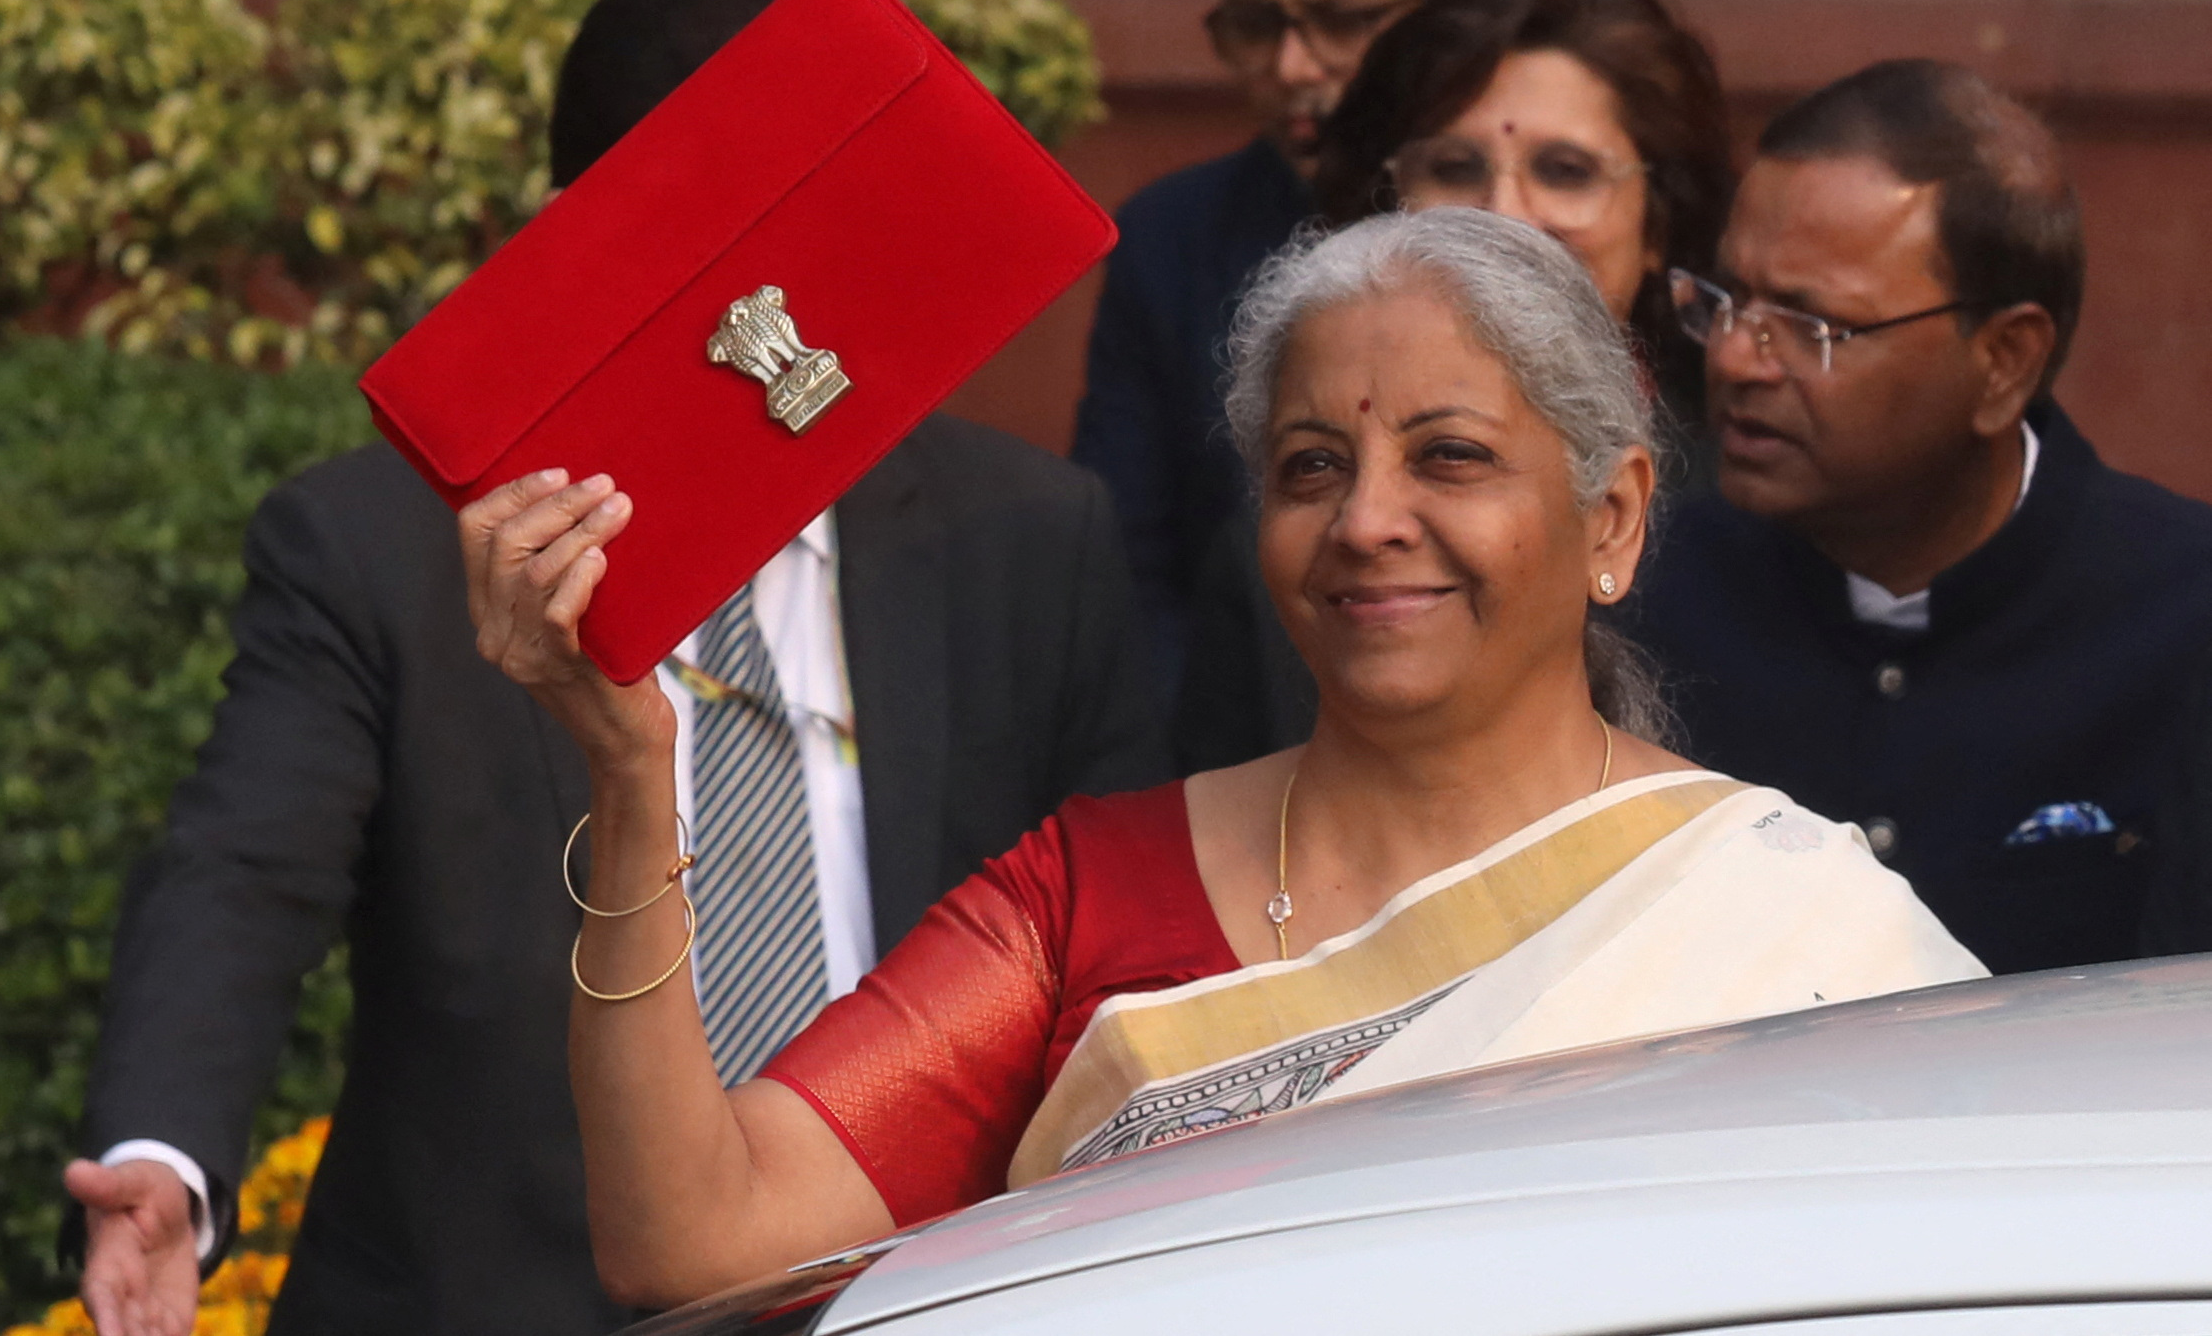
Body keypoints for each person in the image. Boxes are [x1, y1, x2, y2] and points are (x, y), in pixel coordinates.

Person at [467, 208, 1981, 1306]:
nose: (1367, 516)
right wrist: (628, 775)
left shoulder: (1786, 924)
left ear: (1612, 519)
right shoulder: (1083, 892)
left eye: (1447, 455)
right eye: (1310, 465)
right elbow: (695, 1233)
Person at [62, 0, 1165, 1336]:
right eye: (691, 247)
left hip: (918, 1290)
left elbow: (1119, 946)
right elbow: (241, 869)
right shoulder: (378, 549)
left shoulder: (1029, 538)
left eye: (787, 227)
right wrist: (161, 1161)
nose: (747, 292)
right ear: (568, 253)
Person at [1626, 58, 2212, 975]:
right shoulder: (1643, 595)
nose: (1738, 358)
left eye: (1813, 325)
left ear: (2005, 362)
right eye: (1727, 301)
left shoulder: (2184, 616)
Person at [1176, 0, 1735, 772]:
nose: (1504, 217)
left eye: (1565, 171)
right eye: (1453, 167)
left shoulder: (1749, 522)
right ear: (1382, 206)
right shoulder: (1302, 541)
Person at [1070, 0, 1507, 698]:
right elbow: (1127, 573)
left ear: (1465, 8)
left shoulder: (1554, 216)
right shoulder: (1172, 239)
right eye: (1256, 24)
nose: (1294, 66)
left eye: (1343, 20)